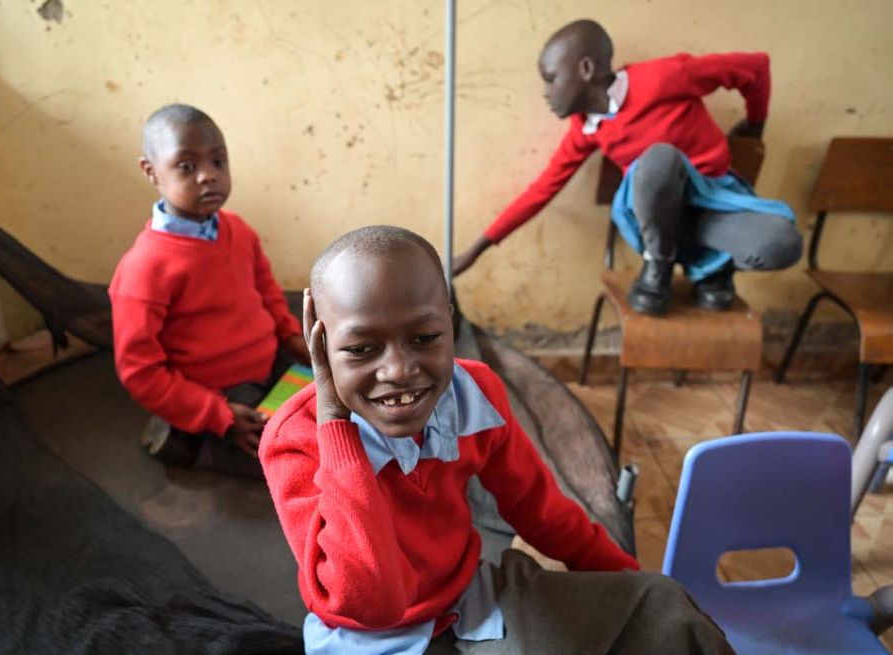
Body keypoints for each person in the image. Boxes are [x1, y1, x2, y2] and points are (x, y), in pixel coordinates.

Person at [260, 225, 734, 653]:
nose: (399, 371)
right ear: (319, 347)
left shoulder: (475, 396)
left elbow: (541, 509)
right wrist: (335, 425)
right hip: (367, 637)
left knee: (663, 608)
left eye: (424, 337)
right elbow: (372, 603)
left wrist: (631, 583)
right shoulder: (294, 441)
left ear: (448, 324)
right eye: (361, 349)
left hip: (468, 599)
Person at [453, 19, 801, 315]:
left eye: (551, 77)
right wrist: (475, 250)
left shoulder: (663, 77)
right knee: (658, 161)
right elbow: (540, 192)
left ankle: (713, 270)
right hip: (662, 224)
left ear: (585, 69)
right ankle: (658, 264)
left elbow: (755, 67)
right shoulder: (586, 130)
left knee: (783, 243)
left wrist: (755, 125)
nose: (546, 92)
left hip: (713, 210)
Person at [109, 103, 309, 476]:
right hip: (220, 392)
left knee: (335, 408)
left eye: (218, 161)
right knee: (285, 460)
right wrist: (216, 413)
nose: (208, 176)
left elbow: (267, 294)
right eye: (187, 166)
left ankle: (206, 429)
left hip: (270, 364)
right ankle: (185, 439)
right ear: (150, 172)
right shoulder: (144, 268)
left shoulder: (237, 230)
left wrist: (291, 336)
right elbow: (139, 371)